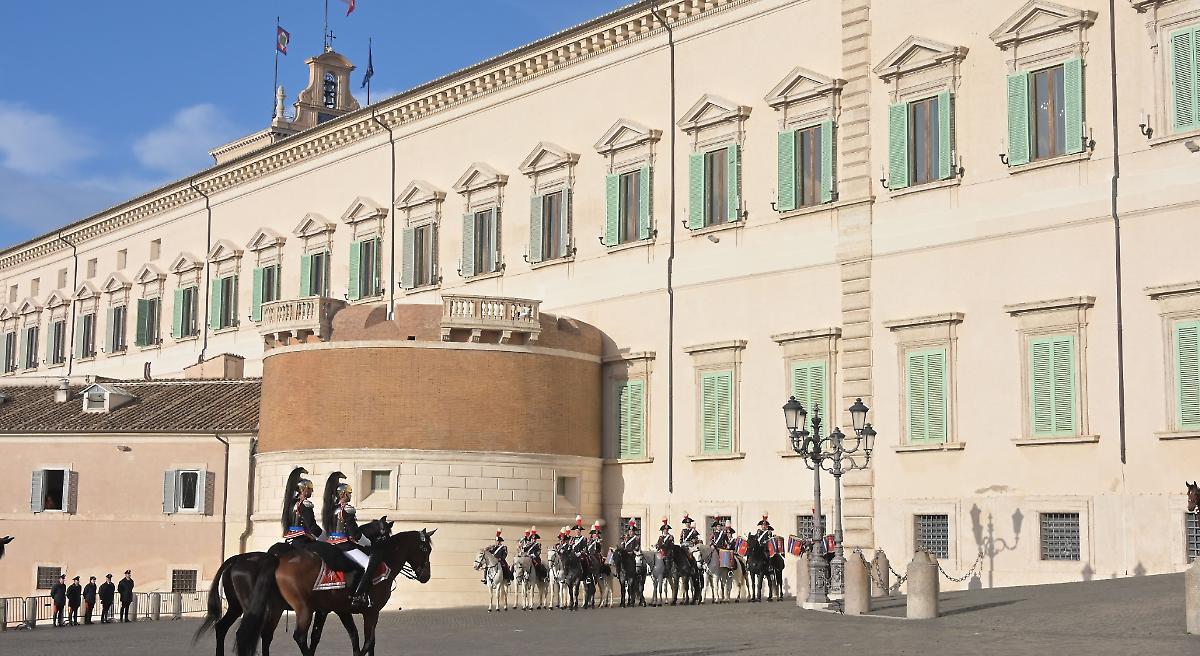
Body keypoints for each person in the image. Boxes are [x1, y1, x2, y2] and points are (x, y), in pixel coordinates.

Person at [324, 480, 376, 610]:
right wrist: (368, 543)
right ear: (343, 494)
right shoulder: (348, 509)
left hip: (331, 544)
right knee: (369, 564)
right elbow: (356, 534)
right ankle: (358, 596)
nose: (350, 496)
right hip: (344, 546)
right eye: (349, 493)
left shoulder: (331, 510)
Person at [282, 471, 322, 544]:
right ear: (303, 489)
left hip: (290, 538)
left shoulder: (291, 503)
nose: (312, 491)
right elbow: (311, 525)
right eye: (310, 488)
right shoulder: (306, 504)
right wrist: (320, 532)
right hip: (302, 539)